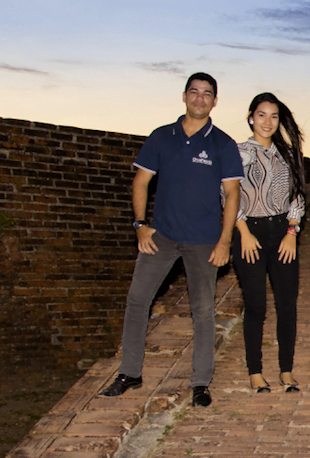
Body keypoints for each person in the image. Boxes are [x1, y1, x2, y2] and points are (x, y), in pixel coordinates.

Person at [99, 72, 242, 408]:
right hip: (161, 236)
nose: (200, 99)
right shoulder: (162, 137)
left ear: (215, 101)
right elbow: (140, 181)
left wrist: (224, 241)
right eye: (194, 92)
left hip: (204, 240)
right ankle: (130, 373)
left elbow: (232, 195)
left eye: (207, 94)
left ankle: (200, 382)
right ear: (184, 96)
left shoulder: (222, 143)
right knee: (137, 301)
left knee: (203, 311)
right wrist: (139, 225)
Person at [230, 92, 305, 394]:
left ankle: (286, 370)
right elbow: (227, 195)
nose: (268, 122)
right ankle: (255, 372)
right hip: (249, 232)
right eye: (262, 115)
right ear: (251, 117)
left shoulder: (286, 154)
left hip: (282, 232)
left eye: (274, 116)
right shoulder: (236, 152)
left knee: (287, 305)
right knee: (256, 304)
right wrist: (243, 232)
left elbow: (297, 195)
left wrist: (292, 232)